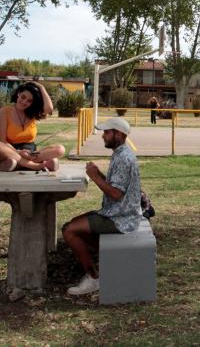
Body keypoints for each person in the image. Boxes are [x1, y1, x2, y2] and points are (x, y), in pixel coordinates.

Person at [62, 117, 142, 295]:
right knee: (75, 224)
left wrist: (95, 177)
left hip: (121, 218)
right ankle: (110, 262)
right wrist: (99, 173)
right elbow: (116, 186)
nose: (103, 136)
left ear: (118, 134)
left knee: (69, 230)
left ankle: (94, 279)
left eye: (107, 132)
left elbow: (116, 194)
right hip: (118, 213)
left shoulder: (123, 158)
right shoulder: (121, 154)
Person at [0, 81, 65, 171]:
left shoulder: (32, 113)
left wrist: (41, 87)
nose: (24, 102)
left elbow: (49, 108)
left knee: (60, 149)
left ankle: (15, 164)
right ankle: (34, 165)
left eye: (29, 101)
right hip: (10, 151)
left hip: (31, 153)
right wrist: (19, 152)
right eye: (23, 97)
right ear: (18, 94)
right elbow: (3, 141)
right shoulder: (4, 112)